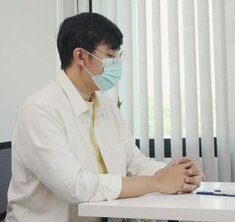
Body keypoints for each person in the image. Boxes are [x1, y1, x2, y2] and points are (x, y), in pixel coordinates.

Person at [6, 12, 204, 222]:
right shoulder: (40, 111)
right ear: (81, 56)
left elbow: (134, 163)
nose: (116, 64)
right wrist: (157, 183)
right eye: (110, 56)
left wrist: (178, 174)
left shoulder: (105, 106)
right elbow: (75, 187)